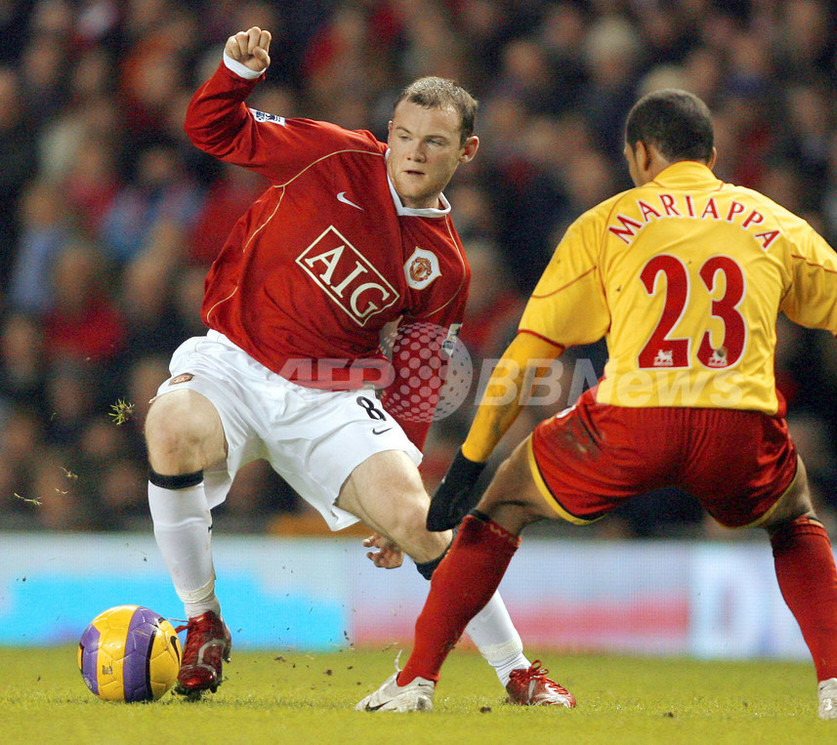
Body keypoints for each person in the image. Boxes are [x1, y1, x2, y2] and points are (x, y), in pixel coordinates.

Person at [358, 89, 837, 717]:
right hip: (739, 426)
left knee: (504, 501)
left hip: (632, 423)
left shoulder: (606, 222)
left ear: (641, 154)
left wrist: (471, 463)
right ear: (712, 155)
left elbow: (527, 355)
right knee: (793, 512)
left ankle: (416, 681)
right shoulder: (777, 223)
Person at [145, 27, 572, 707]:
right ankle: (203, 621)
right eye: (404, 134)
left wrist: (399, 470)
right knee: (168, 426)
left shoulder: (447, 265)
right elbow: (211, 129)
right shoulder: (332, 155)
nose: (413, 151)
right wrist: (234, 72)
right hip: (234, 360)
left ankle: (517, 670)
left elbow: (419, 379)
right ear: (390, 132)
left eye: (434, 141)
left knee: (422, 522)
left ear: (467, 152)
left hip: (330, 395)